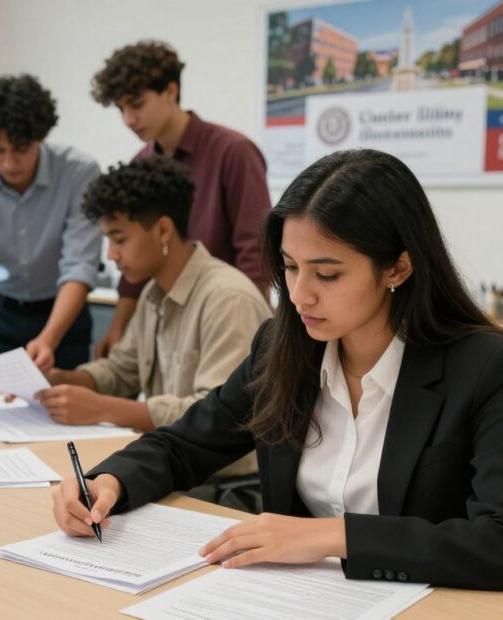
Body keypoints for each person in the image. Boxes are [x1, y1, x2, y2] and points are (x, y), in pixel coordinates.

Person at [52, 149, 503, 590]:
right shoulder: (281, 347)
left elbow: (494, 540)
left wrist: (333, 536)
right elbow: (185, 444)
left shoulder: (483, 366)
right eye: (289, 267)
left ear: (397, 269)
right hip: (295, 597)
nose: (300, 294)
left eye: (327, 275)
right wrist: (108, 481)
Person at [36, 157, 269, 447]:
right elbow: (121, 371)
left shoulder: (228, 300)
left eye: (119, 239)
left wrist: (102, 408)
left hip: (220, 474)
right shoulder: (151, 293)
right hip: (172, 458)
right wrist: (57, 380)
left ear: (163, 230)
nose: (110, 255)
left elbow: (218, 417)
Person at [91, 40, 271, 358]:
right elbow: (135, 259)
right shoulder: (141, 163)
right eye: (121, 109)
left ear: (170, 91)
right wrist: (119, 326)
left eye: (136, 104)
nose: (129, 119)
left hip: (226, 319)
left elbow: (255, 251)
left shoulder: (233, 151)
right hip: (169, 323)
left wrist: (249, 333)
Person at [0, 74, 102, 372]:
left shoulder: (79, 173)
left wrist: (50, 339)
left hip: (63, 314)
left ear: (40, 137)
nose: (9, 162)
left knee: (63, 397)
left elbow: (80, 264)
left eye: (20, 148)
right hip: (1, 313)